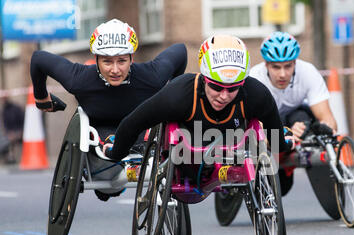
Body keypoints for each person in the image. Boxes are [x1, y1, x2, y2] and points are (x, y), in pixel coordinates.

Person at [30, 18, 187, 200]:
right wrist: (41, 98)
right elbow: (38, 59)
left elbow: (181, 51)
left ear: (131, 58)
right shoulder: (79, 79)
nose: (115, 70)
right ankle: (110, 179)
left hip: (138, 130)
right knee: (108, 183)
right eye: (107, 62)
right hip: (101, 134)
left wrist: (171, 91)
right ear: (96, 60)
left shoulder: (152, 76)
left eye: (121, 61)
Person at [103, 35, 292, 165]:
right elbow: (133, 122)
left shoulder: (256, 93)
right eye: (217, 87)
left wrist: (283, 143)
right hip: (186, 155)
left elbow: (277, 141)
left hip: (231, 145)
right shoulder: (179, 94)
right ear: (204, 79)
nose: (224, 96)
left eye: (233, 88)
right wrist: (116, 152)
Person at [249, 31, 337, 196]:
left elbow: (328, 118)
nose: (283, 74)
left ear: (295, 63)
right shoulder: (255, 78)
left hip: (296, 116)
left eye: (288, 66)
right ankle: (284, 154)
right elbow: (254, 125)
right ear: (266, 64)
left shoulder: (308, 72)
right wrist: (277, 138)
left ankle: (294, 155)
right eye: (276, 67)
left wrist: (320, 129)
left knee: (302, 117)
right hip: (269, 124)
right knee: (282, 189)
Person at [1, 96, 25, 164]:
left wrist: (19, 132)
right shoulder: (4, 111)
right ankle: (9, 158)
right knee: (4, 141)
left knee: (7, 141)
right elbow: (5, 125)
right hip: (10, 133)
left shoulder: (16, 109)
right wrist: (8, 133)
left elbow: (23, 122)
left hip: (19, 132)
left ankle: (11, 157)